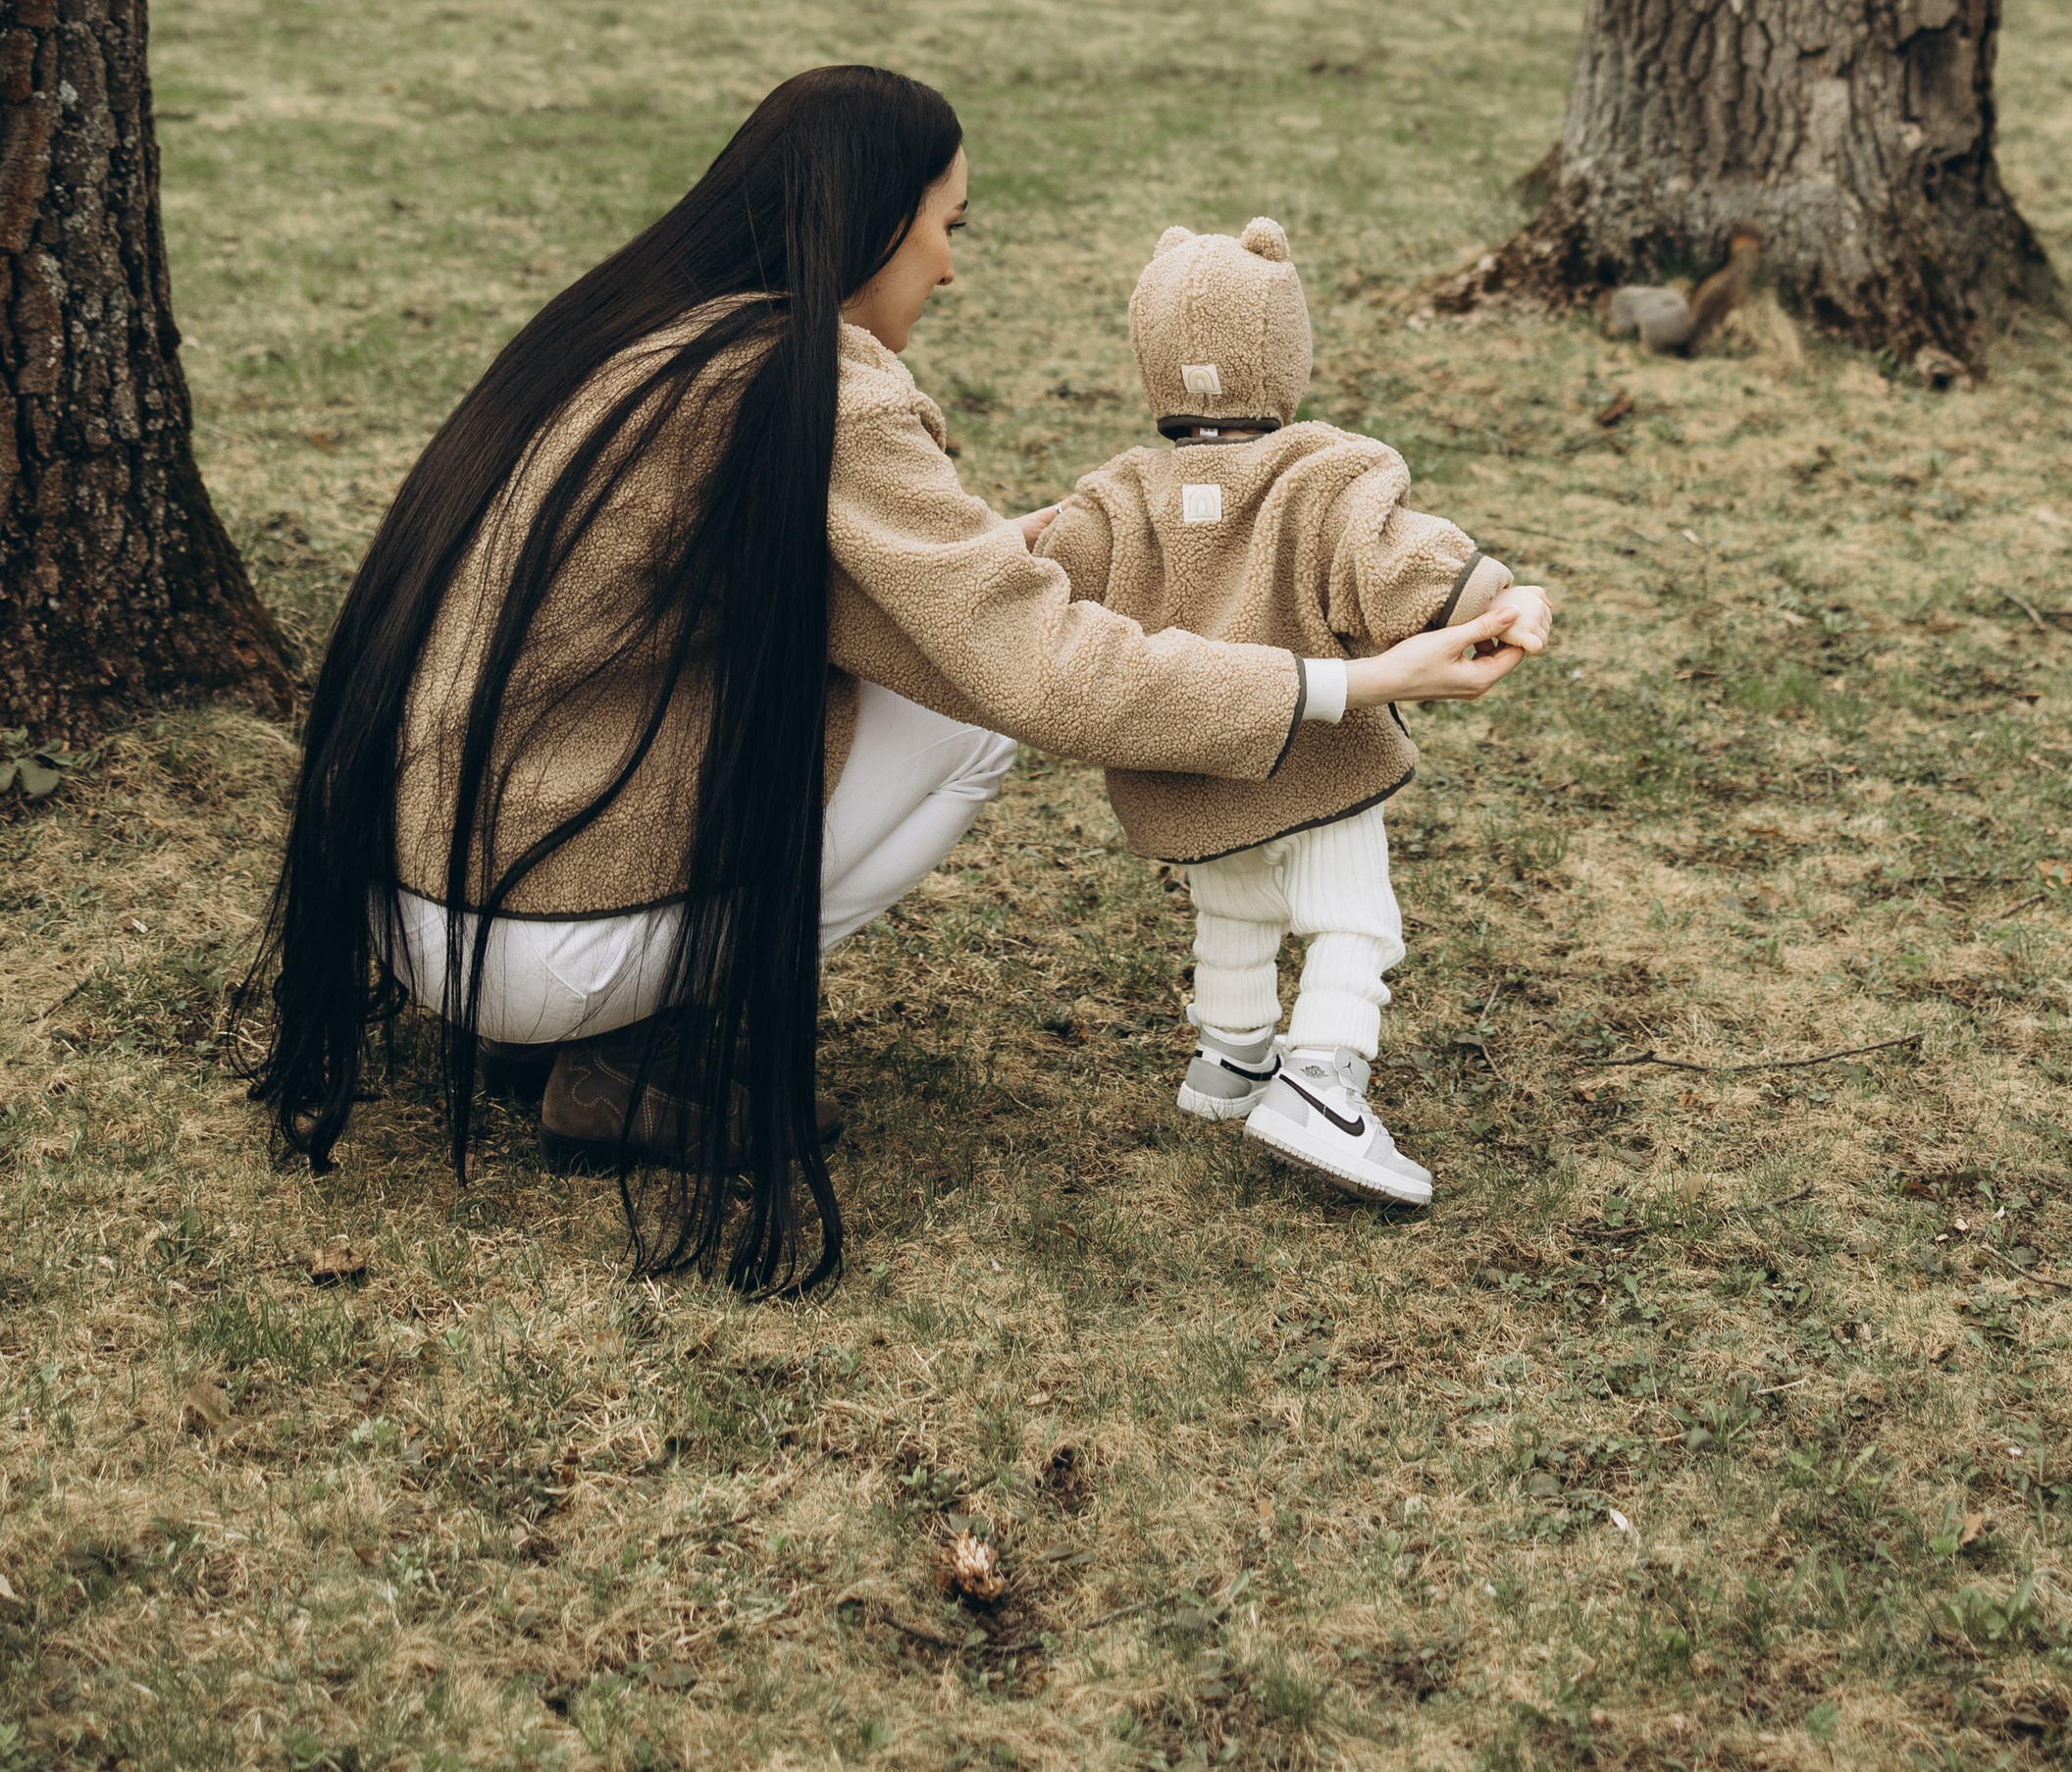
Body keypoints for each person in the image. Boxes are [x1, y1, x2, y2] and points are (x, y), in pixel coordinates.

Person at [241, 68, 1536, 1288]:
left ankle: (609, 1020)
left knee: (932, 667)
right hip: (540, 937)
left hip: (408, 899)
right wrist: (1351, 685)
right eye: (946, 224)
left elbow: (824, 582)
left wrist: (990, 553)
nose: (953, 265)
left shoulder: (644, 329)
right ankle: (645, 1037)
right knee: (967, 720)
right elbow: (1036, 671)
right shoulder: (817, 382)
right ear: (871, 222)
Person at [1024, 216, 1552, 1208]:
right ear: (1283, 350)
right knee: (1354, 919)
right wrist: (1498, 596)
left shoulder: (1114, 496)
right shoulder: (1324, 475)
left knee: (1230, 905)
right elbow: (1403, 568)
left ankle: (1228, 1061)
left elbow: (1042, 595)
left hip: (1186, 760)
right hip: (1318, 757)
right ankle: (1324, 1077)